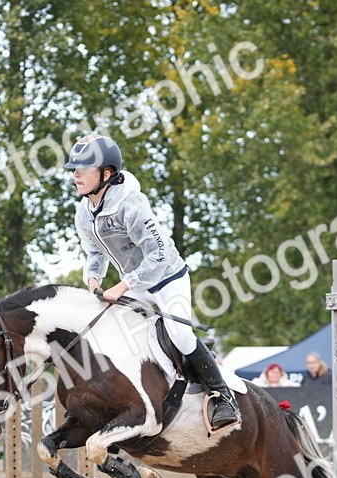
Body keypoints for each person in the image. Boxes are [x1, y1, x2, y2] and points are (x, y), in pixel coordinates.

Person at [68, 133, 240, 431]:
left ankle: (223, 397)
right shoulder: (85, 212)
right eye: (75, 169)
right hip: (135, 284)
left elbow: (158, 255)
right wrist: (93, 279)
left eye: (84, 169)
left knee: (182, 336)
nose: (76, 175)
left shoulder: (131, 204)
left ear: (106, 174)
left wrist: (122, 286)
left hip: (167, 278)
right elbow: (95, 252)